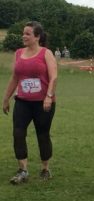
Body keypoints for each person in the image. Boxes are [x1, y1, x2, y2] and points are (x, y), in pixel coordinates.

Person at [2, 21, 57, 184]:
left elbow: (54, 76)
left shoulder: (46, 53)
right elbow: (14, 78)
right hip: (22, 102)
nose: (23, 36)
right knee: (18, 133)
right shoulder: (18, 53)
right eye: (23, 33)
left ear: (37, 37)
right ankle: (23, 170)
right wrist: (6, 98)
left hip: (43, 103)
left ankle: (45, 169)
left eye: (28, 34)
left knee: (43, 135)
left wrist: (48, 96)